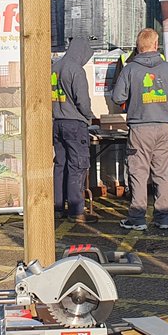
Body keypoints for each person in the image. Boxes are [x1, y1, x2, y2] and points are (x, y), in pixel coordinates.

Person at [111, 28, 168, 231]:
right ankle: (163, 218)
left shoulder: (130, 69)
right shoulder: (167, 68)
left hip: (139, 128)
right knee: (161, 173)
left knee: (139, 172)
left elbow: (117, 97)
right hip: (163, 127)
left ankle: (137, 218)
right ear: (156, 45)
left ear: (138, 47)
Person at [51, 36, 97, 223]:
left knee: (60, 165)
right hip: (75, 124)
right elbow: (83, 102)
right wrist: (89, 117)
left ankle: (58, 207)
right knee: (78, 166)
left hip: (57, 123)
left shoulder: (56, 66)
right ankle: (77, 211)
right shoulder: (76, 70)